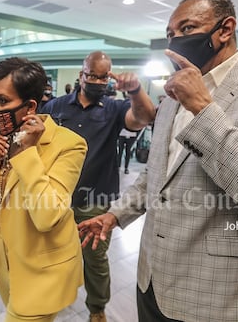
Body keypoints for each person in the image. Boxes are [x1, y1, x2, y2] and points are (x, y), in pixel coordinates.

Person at [77, 0, 238, 322]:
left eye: (187, 29)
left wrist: (202, 106)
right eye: (170, 34)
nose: (176, 40)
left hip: (222, 292)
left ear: (224, 29)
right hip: (153, 279)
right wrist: (115, 216)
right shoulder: (173, 96)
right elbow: (156, 174)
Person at [0, 57, 87, 322]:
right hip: (3, 263)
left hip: (43, 271)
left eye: (2, 101)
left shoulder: (68, 144)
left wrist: (26, 153)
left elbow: (47, 216)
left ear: (30, 107)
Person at [40, 51, 156, 322]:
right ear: (81, 74)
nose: (95, 80)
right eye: (91, 74)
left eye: (102, 76)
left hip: (96, 199)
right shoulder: (55, 107)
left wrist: (135, 91)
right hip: (56, 197)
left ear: (109, 79)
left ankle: (97, 308)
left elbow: (145, 117)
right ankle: (53, 296)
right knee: (52, 253)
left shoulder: (114, 109)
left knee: (95, 259)